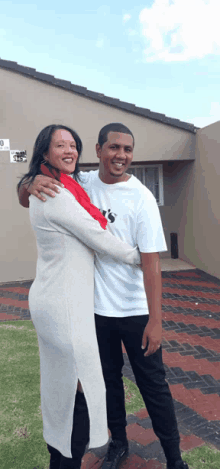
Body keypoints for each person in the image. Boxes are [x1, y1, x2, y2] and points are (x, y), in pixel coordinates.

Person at [18, 123, 189, 469]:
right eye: (113, 148)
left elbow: (151, 262)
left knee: (153, 388)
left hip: (134, 310)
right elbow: (32, 194)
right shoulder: (82, 183)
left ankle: (175, 459)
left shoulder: (141, 198)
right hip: (96, 310)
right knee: (109, 385)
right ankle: (118, 445)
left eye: (127, 149)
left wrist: (156, 321)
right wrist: (28, 181)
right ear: (98, 150)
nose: (120, 156)